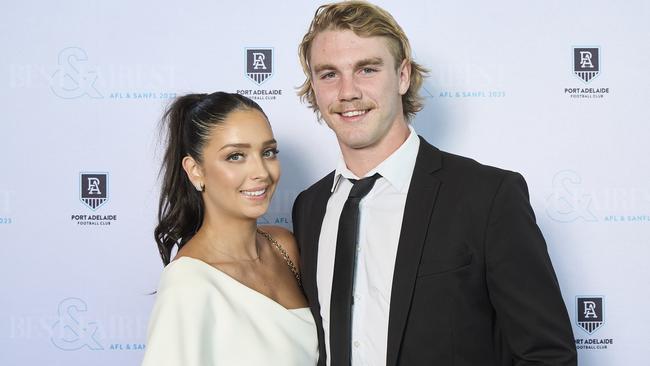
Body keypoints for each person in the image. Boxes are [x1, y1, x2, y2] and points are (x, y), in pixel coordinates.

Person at [292, 2, 577, 366]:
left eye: (367, 69)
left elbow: (547, 355)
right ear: (314, 87)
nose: (348, 91)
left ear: (403, 76)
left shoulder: (486, 196)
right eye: (329, 74)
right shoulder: (310, 207)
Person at [142, 92, 318, 365]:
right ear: (195, 170)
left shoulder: (284, 246)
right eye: (236, 156)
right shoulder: (187, 283)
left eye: (268, 152)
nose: (261, 171)